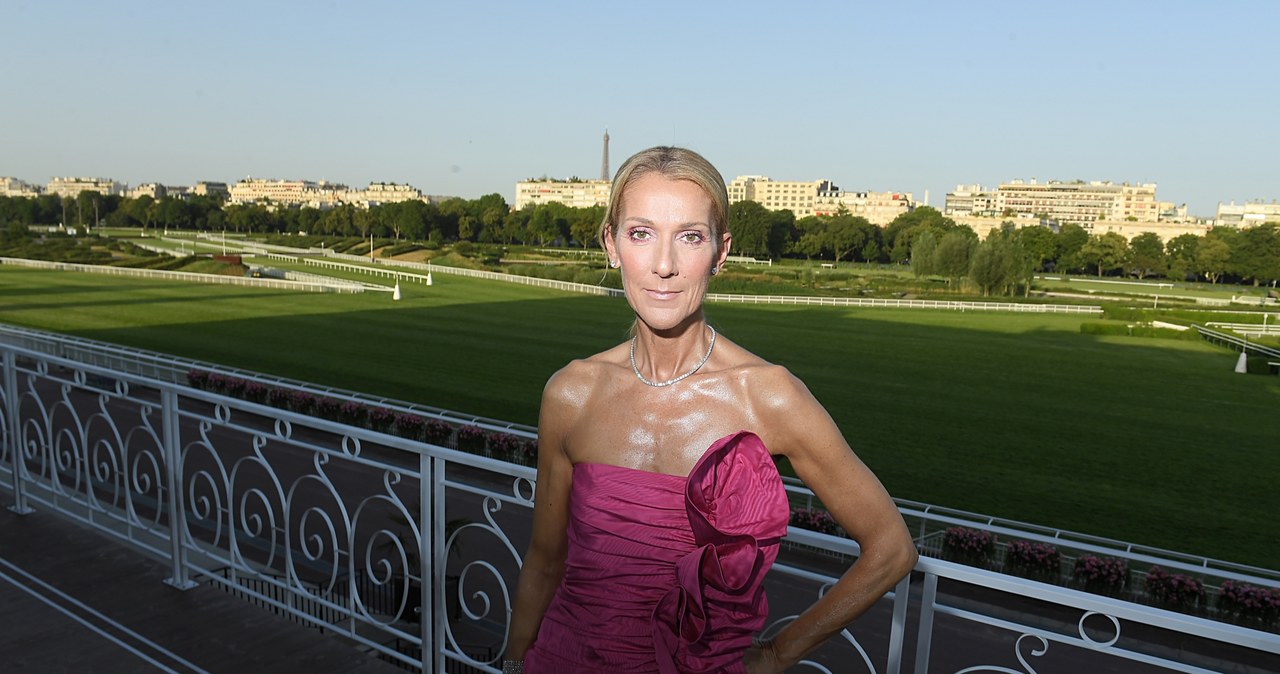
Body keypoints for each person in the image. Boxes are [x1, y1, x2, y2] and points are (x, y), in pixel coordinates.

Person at [503, 146, 917, 674]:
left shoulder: (768, 396)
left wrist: (777, 652)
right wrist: (512, 667)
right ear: (611, 244)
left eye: (690, 237)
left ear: (720, 253)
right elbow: (544, 561)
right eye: (641, 233)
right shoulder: (570, 393)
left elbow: (892, 549)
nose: (664, 265)